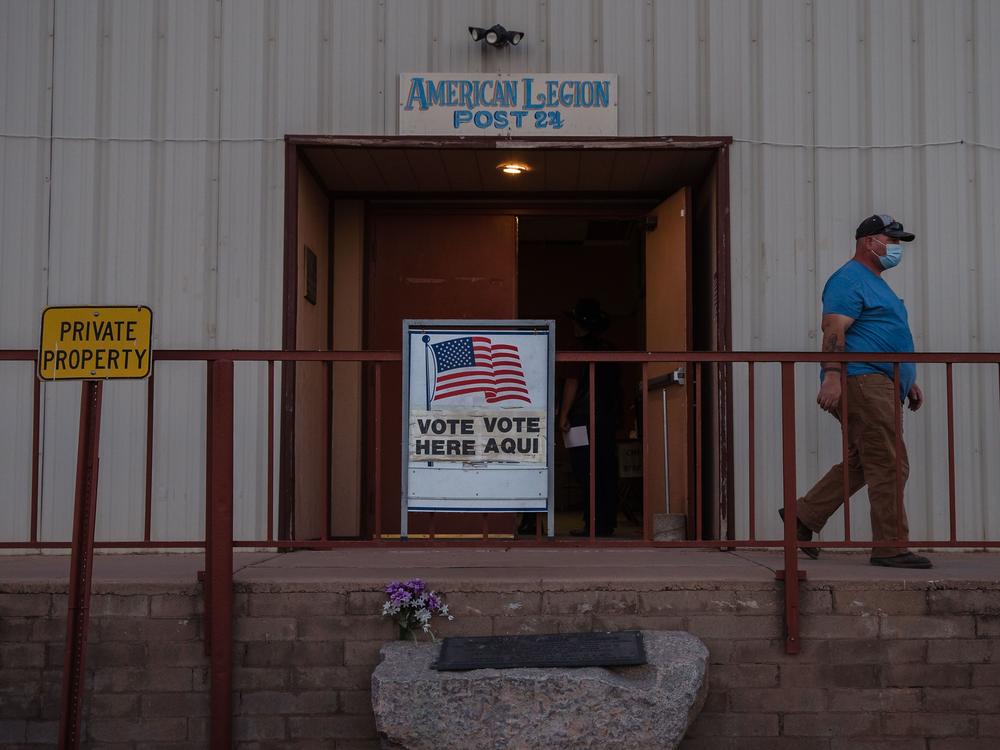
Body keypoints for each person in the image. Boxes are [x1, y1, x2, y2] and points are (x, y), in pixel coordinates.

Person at [786, 214, 931, 568]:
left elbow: (880, 334)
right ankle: (890, 547)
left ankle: (802, 517)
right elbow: (834, 329)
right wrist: (831, 375)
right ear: (869, 242)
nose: (895, 248)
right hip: (863, 381)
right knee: (891, 463)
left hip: (881, 381)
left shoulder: (875, 282)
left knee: (865, 463)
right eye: (891, 240)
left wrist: (906, 379)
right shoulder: (849, 279)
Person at [559, 298, 620, 537]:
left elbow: (572, 383)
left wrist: (563, 415)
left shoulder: (577, 350)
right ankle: (606, 523)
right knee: (605, 469)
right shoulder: (610, 349)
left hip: (581, 419)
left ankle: (592, 524)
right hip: (605, 419)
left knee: (585, 471)